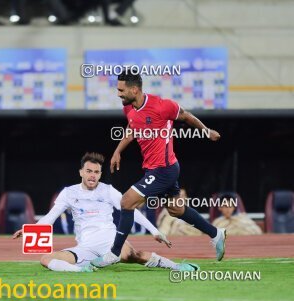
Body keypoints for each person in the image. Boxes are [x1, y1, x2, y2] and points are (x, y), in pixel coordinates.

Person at [92, 70, 226, 268]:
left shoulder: (162, 106)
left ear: (135, 89)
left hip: (164, 169)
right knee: (175, 209)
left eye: (121, 90)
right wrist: (117, 151)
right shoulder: (128, 109)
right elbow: (132, 129)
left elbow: (186, 116)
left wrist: (206, 131)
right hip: (156, 169)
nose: (118, 93)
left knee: (127, 201)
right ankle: (216, 234)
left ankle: (113, 253)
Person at [13, 152, 199, 272]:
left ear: (100, 174)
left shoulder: (108, 190)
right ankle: (82, 270)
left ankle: (176, 266)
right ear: (81, 172)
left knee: (133, 256)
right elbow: (50, 218)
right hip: (85, 246)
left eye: (96, 172)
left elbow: (131, 210)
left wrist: (155, 231)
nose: (92, 175)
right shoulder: (69, 193)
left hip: (111, 241)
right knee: (46, 259)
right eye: (89, 171)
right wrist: (31, 230)